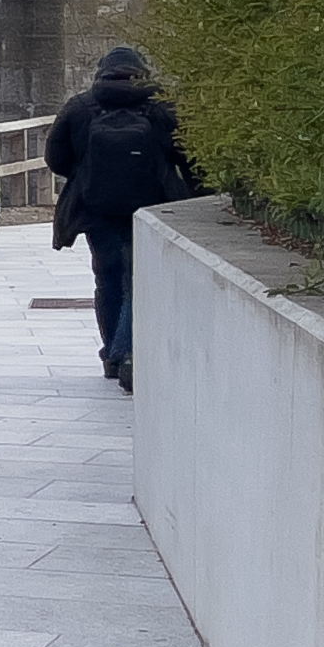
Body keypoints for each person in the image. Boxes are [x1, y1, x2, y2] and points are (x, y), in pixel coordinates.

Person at [48, 45, 195, 392]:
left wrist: (89, 173)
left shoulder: (80, 106)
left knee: (107, 278)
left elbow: (56, 158)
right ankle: (127, 350)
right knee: (138, 281)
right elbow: (187, 156)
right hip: (149, 209)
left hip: (95, 209)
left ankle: (112, 355)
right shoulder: (161, 109)